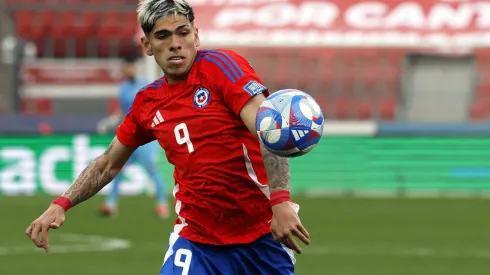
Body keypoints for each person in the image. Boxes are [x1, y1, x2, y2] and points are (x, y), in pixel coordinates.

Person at [25, 0, 310, 274]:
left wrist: (281, 202)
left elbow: (268, 130)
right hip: (197, 240)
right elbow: (108, 163)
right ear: (147, 46)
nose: (175, 43)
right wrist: (60, 204)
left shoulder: (224, 68)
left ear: (196, 36)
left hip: (261, 233)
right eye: (162, 36)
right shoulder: (147, 102)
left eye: (182, 32)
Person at [97, 56, 169, 218]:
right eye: (126, 68)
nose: (128, 70)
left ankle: (162, 203)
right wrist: (109, 122)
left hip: (145, 137)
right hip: (129, 135)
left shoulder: (146, 84)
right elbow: (123, 112)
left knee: (151, 169)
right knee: (116, 168)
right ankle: (111, 204)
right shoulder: (123, 88)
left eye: (130, 67)